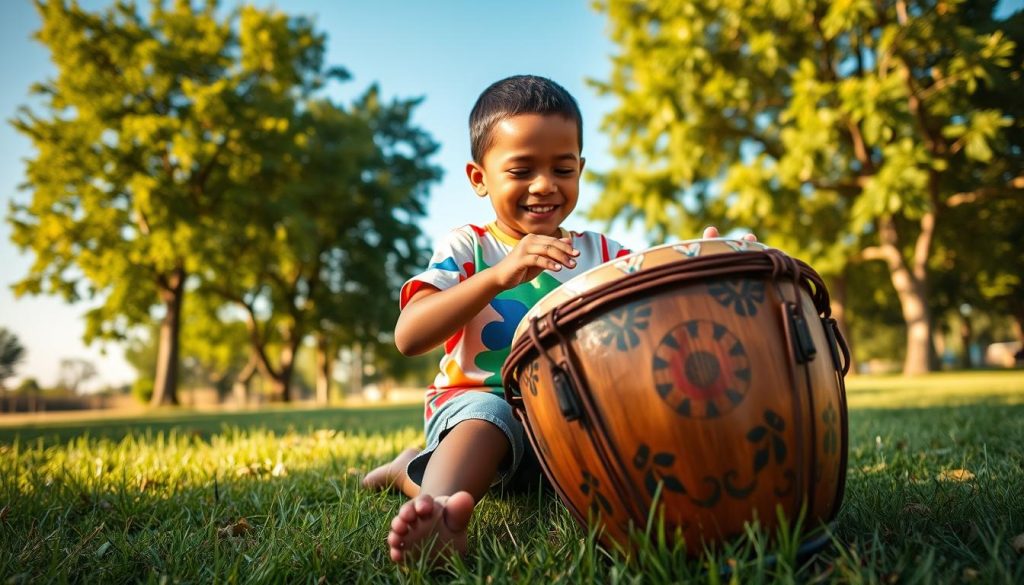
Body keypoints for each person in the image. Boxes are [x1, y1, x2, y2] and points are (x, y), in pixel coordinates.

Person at [361, 74, 753, 565]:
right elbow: (408, 335)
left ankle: (407, 468)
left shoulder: (603, 253)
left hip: (572, 424)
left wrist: (702, 262)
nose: (544, 184)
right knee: (492, 418)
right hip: (482, 409)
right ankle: (439, 514)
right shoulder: (469, 248)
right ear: (479, 177)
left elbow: (657, 295)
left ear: (581, 169)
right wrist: (498, 276)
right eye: (521, 170)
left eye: (562, 168)